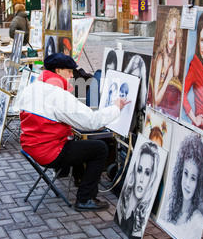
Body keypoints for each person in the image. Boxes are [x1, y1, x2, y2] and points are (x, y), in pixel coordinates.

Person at [17, 53, 130, 212]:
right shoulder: (57, 94)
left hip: (30, 147)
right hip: (49, 152)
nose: (72, 75)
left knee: (78, 143)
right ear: (58, 70)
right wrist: (116, 108)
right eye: (69, 71)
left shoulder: (33, 86)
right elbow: (91, 122)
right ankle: (85, 198)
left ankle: (79, 180)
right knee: (99, 149)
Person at [115, 141, 160, 239]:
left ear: (152, 178)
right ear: (134, 171)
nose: (141, 179)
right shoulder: (122, 207)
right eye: (139, 170)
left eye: (147, 173)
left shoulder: (137, 223)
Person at [163, 134, 203, 236]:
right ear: (180, 173)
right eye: (186, 173)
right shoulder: (170, 206)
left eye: (193, 178)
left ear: (198, 183)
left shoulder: (197, 221)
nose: (187, 183)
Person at [148, 7, 183, 118]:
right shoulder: (160, 58)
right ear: (165, 32)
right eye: (169, 30)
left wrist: (178, 43)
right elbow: (156, 101)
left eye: (175, 31)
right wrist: (167, 79)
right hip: (157, 110)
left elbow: (176, 72)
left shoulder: (171, 56)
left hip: (167, 111)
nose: (172, 35)